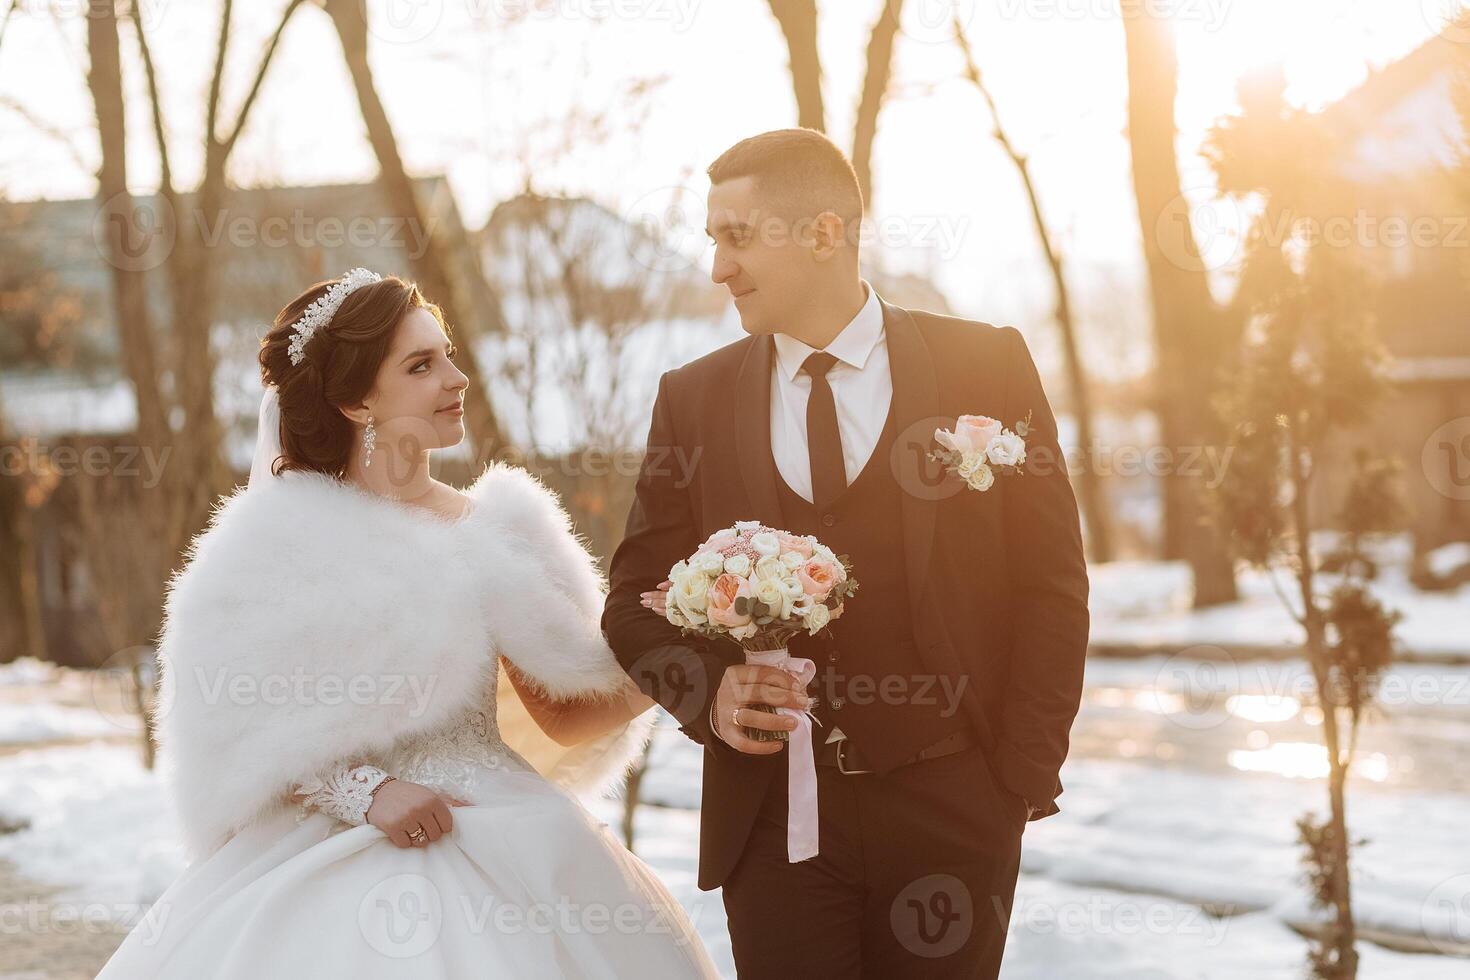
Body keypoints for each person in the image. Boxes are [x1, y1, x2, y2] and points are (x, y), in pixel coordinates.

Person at [96, 270, 719, 979]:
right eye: (421, 366)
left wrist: (680, 639)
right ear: (355, 400)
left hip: (512, 831)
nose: (456, 379)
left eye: (447, 355)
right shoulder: (279, 539)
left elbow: (567, 714)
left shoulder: (499, 528)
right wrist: (368, 793)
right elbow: (236, 727)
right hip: (330, 853)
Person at [603, 129, 1090, 978]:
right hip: (775, 829)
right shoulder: (695, 399)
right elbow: (634, 600)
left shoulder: (987, 365)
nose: (718, 266)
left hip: (956, 812)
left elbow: (1052, 584)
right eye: (712, 238)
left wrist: (1013, 781)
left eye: (738, 236)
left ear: (826, 233)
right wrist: (711, 699)